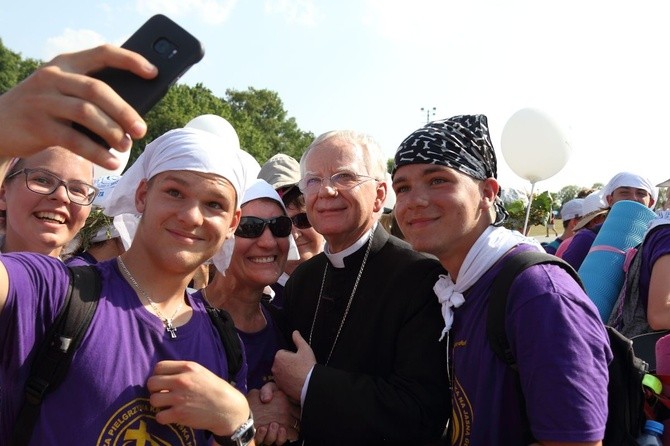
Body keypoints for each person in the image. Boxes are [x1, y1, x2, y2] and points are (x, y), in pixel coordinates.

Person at [0, 120, 261, 444]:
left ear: (233, 223)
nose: (192, 216)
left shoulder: (224, 341)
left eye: (214, 204)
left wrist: (238, 420)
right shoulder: (58, 291)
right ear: (142, 195)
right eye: (175, 192)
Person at [391, 114, 611, 445]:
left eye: (438, 180)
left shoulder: (539, 294)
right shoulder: (457, 286)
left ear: (488, 193)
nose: (415, 201)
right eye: (402, 187)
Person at [267, 130, 450, 445]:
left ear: (379, 195)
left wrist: (312, 383)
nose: (326, 190)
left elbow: (423, 412)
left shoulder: (421, 278)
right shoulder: (303, 279)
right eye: (312, 180)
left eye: (344, 177)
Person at [0, 146, 96, 257]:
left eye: (77, 190)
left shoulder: (86, 274)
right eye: (42, 180)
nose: (62, 196)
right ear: (3, 194)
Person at [258, 153, 325, 308]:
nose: (294, 234)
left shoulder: (351, 281)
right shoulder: (255, 299)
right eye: (280, 225)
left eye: (303, 219)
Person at [561, 172, 657, 270]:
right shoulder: (587, 238)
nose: (633, 198)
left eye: (641, 193)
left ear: (651, 203)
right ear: (610, 200)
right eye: (624, 192)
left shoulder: (656, 241)